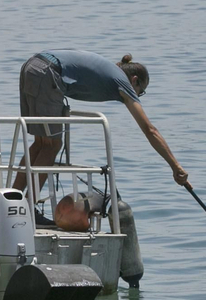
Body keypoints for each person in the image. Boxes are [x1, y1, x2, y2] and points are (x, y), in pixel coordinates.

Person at [13, 51, 191, 197]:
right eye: (141, 91)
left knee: (42, 143)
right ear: (135, 80)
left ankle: (12, 200)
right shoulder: (122, 81)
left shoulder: (111, 72)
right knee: (52, 145)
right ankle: (28, 208)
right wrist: (175, 166)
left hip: (33, 65)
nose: (137, 95)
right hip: (49, 72)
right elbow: (150, 130)